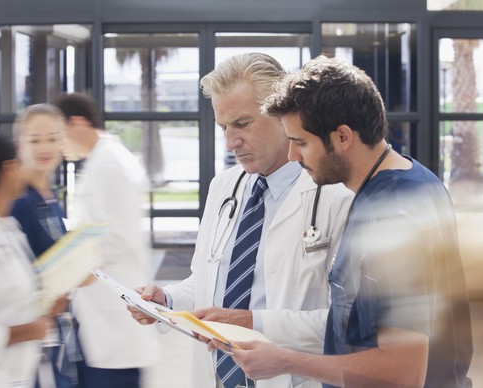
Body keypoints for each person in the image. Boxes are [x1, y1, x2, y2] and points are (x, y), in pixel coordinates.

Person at [208, 55, 474, 387]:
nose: (293, 157)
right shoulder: (414, 180)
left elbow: (403, 371)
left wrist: (284, 360)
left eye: (301, 143)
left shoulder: (391, 216)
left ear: (343, 137)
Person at [129, 52, 353, 388]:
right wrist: (168, 301)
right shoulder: (224, 188)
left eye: (243, 124)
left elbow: (351, 321)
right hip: (217, 377)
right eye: (224, 126)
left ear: (282, 114)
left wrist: (253, 322)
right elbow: (204, 282)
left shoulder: (335, 195)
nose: (230, 141)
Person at [54, 93, 160, 388]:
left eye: (57, 133)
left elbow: (114, 239)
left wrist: (69, 265)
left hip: (113, 313)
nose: (58, 145)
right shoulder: (104, 159)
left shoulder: (109, 163)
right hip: (104, 314)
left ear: (76, 122)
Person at [0, 129, 66, 387]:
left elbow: (11, 302)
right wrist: (25, 332)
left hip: (19, 375)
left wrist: (46, 308)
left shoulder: (9, 229)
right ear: (9, 168)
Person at [10, 104, 81, 388]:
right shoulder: (17, 202)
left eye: (52, 138)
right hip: (29, 342)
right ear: (19, 145)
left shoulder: (50, 199)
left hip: (56, 334)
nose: (45, 148)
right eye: (35, 140)